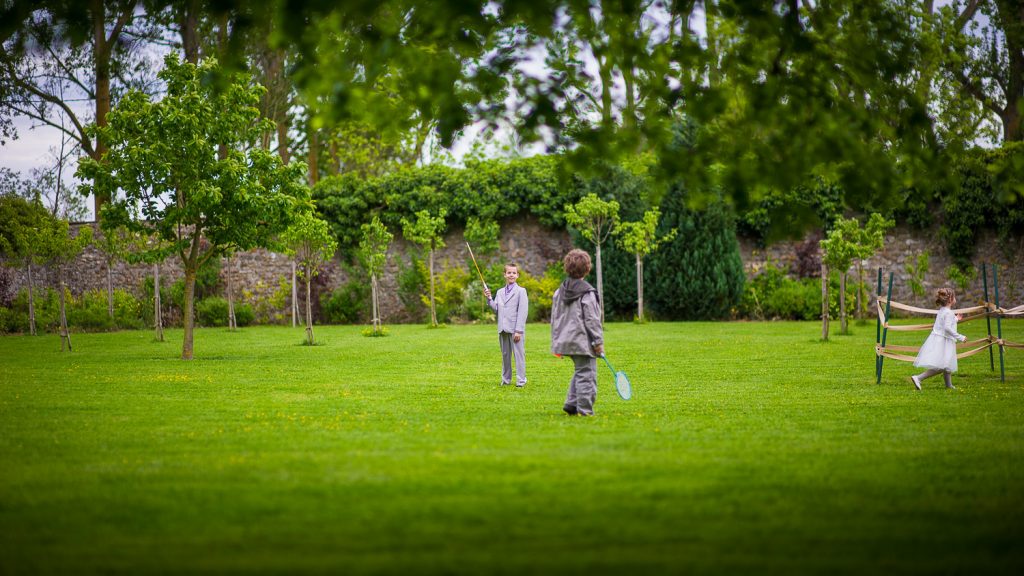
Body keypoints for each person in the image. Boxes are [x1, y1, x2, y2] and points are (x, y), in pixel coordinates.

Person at [551, 249, 603, 416]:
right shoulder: (587, 292)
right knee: (587, 374)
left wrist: (557, 341)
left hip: (564, 340)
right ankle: (585, 410)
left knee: (580, 370)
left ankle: (571, 404)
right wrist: (598, 342)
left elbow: (555, 318)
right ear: (587, 268)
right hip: (581, 341)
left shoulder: (560, 291)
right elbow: (592, 320)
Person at [911, 287, 967, 390]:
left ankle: (948, 385)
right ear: (950, 299)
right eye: (954, 296)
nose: (955, 298)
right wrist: (960, 337)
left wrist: (956, 319)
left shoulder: (942, 311)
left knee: (947, 362)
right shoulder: (948, 312)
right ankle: (918, 378)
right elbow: (947, 328)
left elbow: (945, 323)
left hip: (938, 339)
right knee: (942, 365)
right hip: (944, 341)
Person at [484, 263, 529, 387]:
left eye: (514, 273)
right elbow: (497, 308)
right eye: (509, 273)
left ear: (517, 275)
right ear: (505, 274)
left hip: (515, 330)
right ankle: (506, 380)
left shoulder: (521, 291)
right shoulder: (499, 292)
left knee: (519, 356)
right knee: (505, 356)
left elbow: (523, 312)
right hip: (503, 329)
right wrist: (489, 299)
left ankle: (521, 381)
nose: (511, 275)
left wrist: (519, 330)